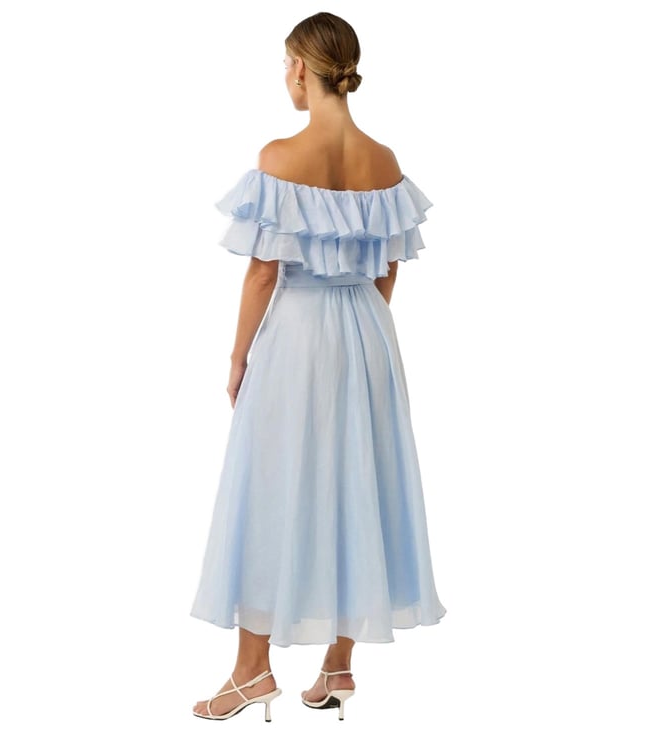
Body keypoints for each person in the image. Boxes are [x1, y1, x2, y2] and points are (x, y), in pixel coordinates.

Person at [190, 11, 447, 722]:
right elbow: (389, 268)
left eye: (285, 64)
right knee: (357, 482)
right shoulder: (384, 162)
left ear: (302, 68)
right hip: (369, 332)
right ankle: (338, 665)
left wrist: (239, 357)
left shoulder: (280, 156)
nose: (285, 76)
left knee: (269, 483)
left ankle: (251, 672)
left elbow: (262, 273)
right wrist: (361, 326)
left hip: (298, 334)